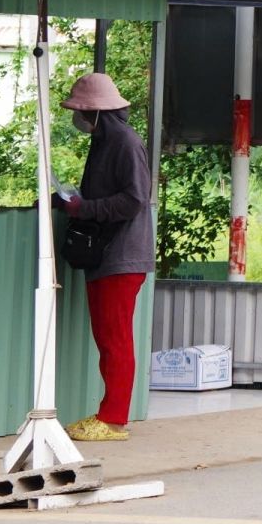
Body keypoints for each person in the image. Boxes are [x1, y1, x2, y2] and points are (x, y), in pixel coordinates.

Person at [52, 73, 153, 443]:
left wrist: (83, 208)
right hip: (107, 256)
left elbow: (134, 199)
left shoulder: (125, 142)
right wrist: (67, 200)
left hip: (122, 256)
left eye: (81, 110)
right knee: (108, 338)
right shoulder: (104, 141)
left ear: (96, 111)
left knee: (115, 340)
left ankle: (112, 419)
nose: (78, 117)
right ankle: (109, 414)